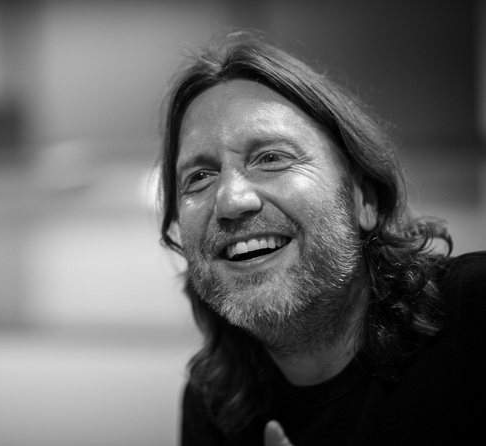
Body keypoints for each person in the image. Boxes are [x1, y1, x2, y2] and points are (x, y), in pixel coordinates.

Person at [157, 30, 486, 446]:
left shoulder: (475, 314)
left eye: (271, 158)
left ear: (364, 199)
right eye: (199, 177)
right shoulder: (214, 406)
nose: (231, 200)